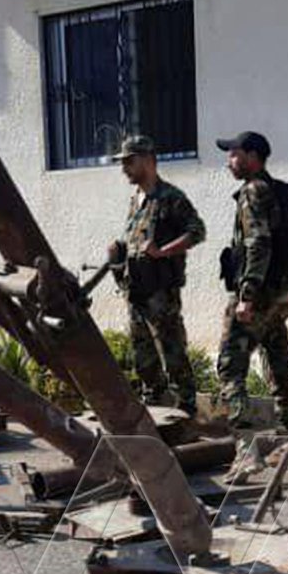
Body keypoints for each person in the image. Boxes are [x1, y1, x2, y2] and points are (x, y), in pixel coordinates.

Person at [215, 130, 288, 430]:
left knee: (231, 366)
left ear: (253, 157)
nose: (229, 161)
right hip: (280, 294)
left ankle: (245, 449)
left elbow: (259, 243)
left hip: (258, 295)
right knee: (278, 361)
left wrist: (247, 296)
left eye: (234, 154)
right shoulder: (284, 191)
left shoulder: (253, 191)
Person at [105, 135, 205, 412]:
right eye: (122, 163)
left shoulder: (171, 198)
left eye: (129, 161)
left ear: (148, 160)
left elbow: (197, 231)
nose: (124, 168)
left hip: (161, 292)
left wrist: (163, 251)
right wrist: (118, 250)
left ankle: (186, 409)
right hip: (135, 290)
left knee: (172, 353)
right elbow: (136, 239)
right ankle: (153, 407)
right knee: (143, 357)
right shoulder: (136, 199)